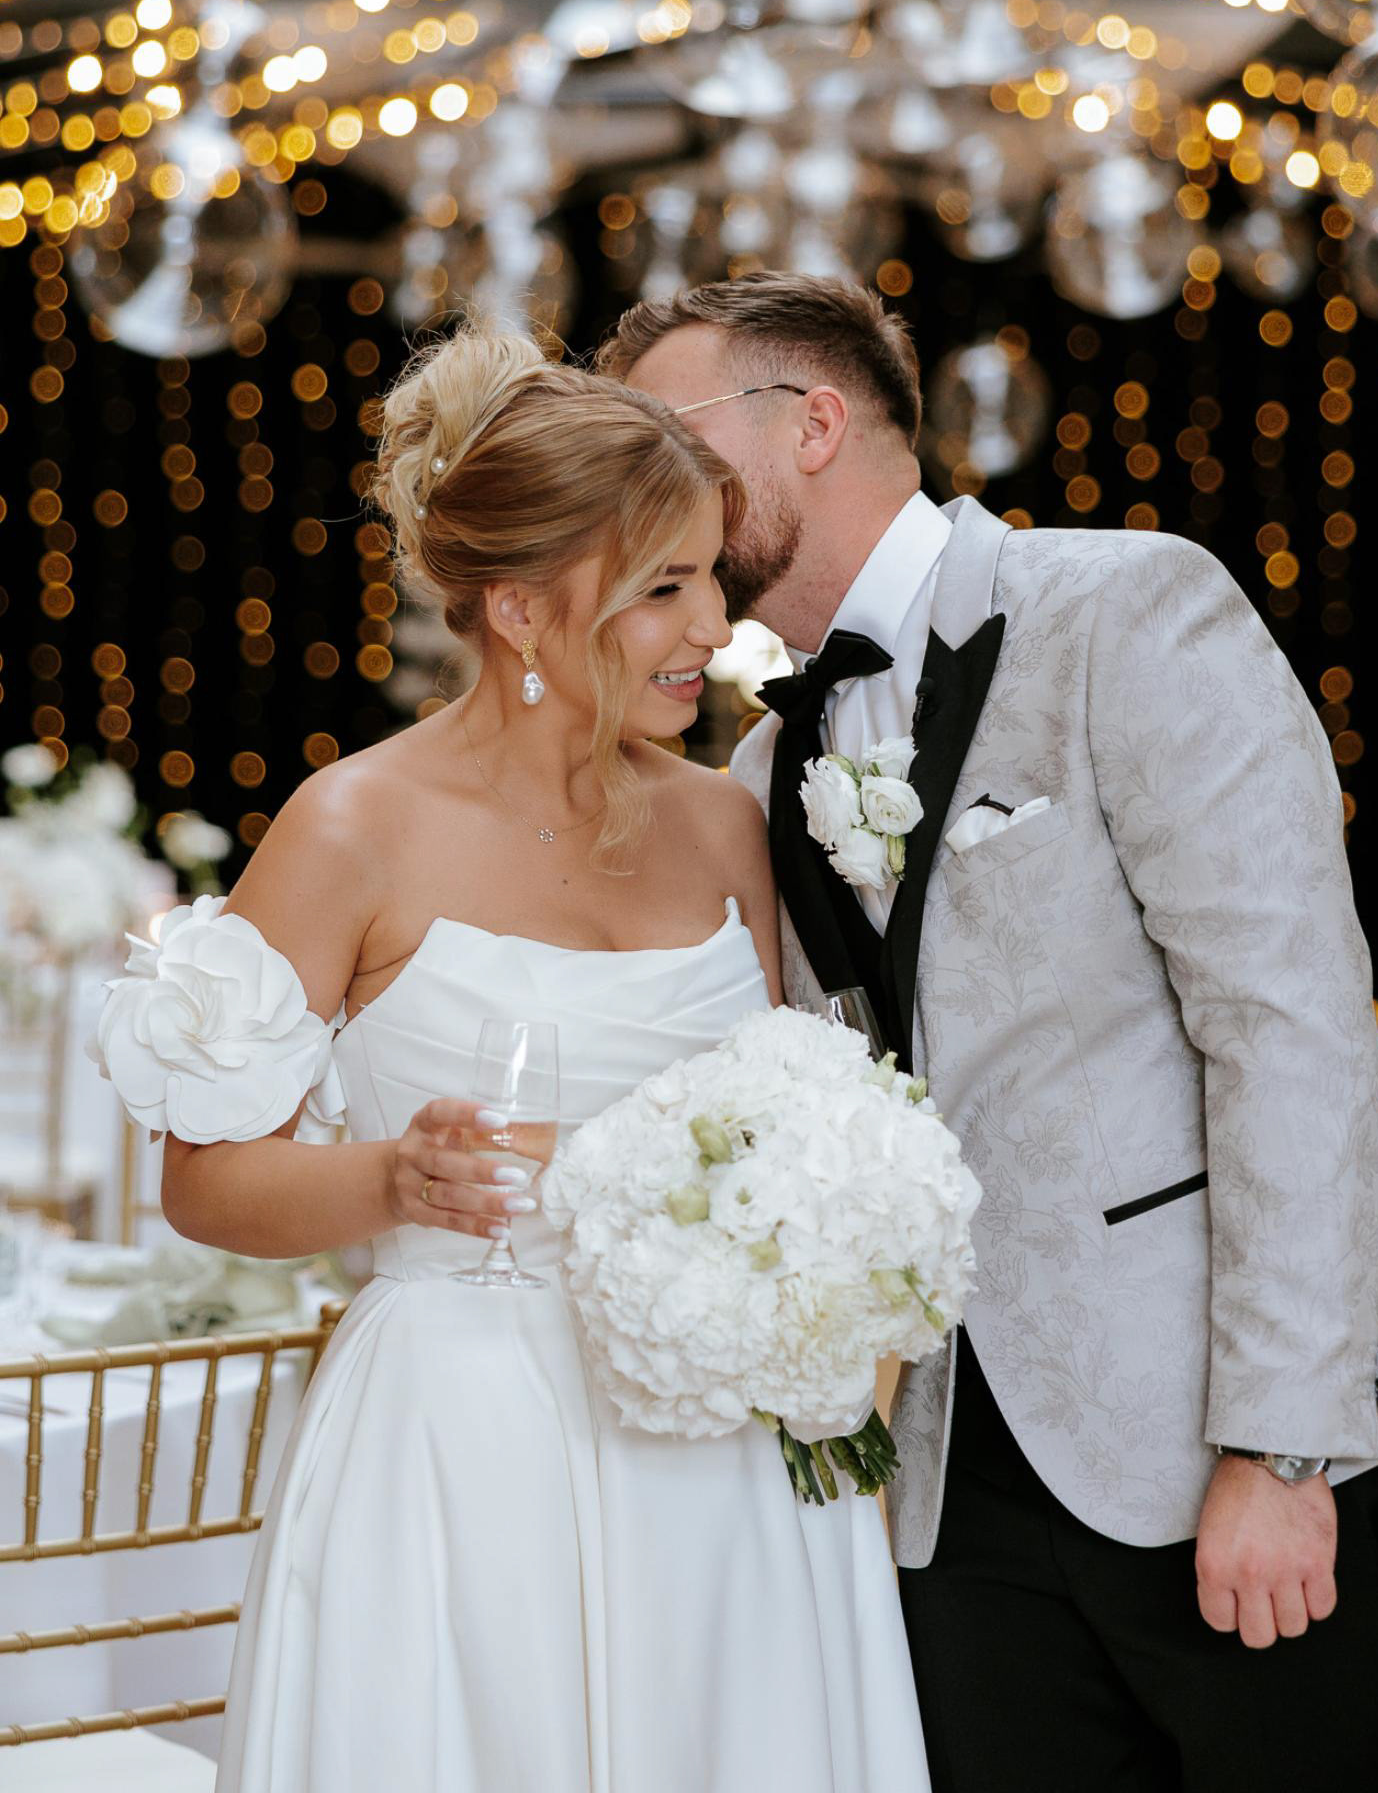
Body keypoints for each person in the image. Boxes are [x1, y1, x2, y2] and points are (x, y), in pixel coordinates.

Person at [602, 269, 1378, 1793]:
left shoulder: (1125, 611)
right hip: (964, 1472)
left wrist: (1280, 1449)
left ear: (813, 424)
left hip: (1234, 1428)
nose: (646, 490)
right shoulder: (759, 772)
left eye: (669, 440)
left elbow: (1285, 1034)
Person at [91, 327, 931, 1793]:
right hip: (461, 1449)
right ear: (523, 611)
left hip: (716, 1458)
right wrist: (390, 1181)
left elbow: (794, 1129)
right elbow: (208, 1185)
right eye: (662, 588)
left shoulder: (725, 823)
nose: (710, 626)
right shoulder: (350, 829)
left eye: (709, 579)